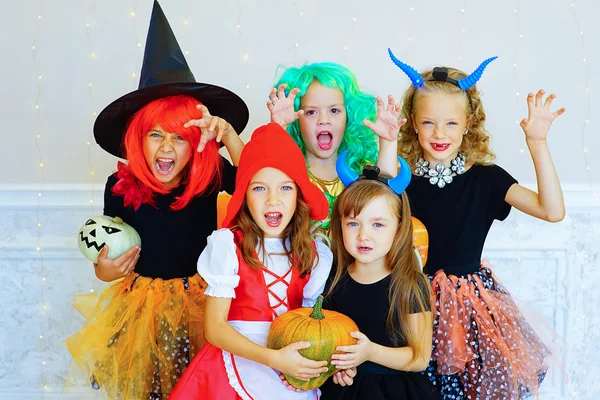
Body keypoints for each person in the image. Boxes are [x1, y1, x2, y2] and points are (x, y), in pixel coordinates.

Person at [65, 2, 249, 398]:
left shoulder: (213, 175)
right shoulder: (119, 185)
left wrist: (229, 138)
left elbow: (256, 184)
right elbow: (108, 252)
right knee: (149, 388)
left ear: (196, 142)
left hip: (201, 305)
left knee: (200, 387)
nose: (166, 147)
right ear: (138, 140)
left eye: (179, 136)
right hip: (141, 310)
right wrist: (105, 271)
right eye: (156, 135)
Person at [388, 48, 566, 399]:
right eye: (429, 122)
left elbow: (551, 210)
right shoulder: (400, 178)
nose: (440, 132)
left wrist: (538, 143)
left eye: (452, 122)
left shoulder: (486, 179)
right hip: (410, 300)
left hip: (470, 312)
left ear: (468, 123)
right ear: (411, 122)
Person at [169, 122, 334, 400]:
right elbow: (215, 328)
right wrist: (273, 359)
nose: (273, 200)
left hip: (288, 371)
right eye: (259, 188)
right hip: (234, 365)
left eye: (285, 188)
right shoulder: (228, 246)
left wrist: (311, 369)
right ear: (244, 195)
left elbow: (309, 325)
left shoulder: (314, 252)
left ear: (299, 195)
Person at [314, 152, 441, 399]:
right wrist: (339, 368)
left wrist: (369, 352)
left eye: (378, 224)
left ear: (398, 228)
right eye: (353, 223)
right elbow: (328, 340)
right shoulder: (331, 280)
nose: (364, 235)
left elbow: (419, 358)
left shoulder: (409, 284)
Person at [267, 63, 403, 239]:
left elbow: (386, 200)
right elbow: (268, 179)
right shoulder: (287, 174)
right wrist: (278, 128)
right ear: (296, 120)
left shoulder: (362, 171)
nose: (324, 120)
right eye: (310, 112)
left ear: (349, 117)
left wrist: (388, 142)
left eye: (334, 110)